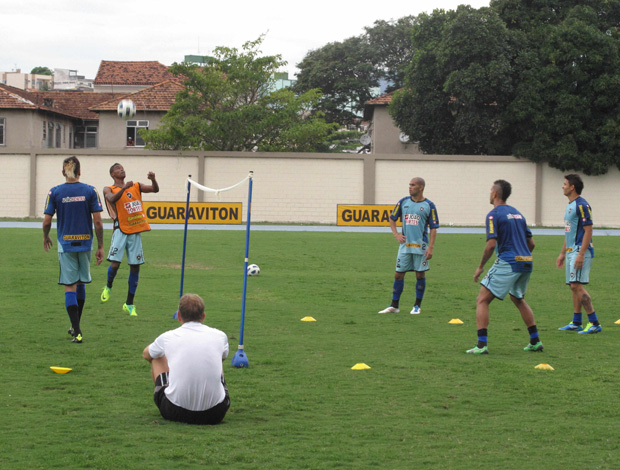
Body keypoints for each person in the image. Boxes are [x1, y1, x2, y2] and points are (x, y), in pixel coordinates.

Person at [467, 180, 543, 355]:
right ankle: (535, 341)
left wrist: (480, 267)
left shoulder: (493, 215)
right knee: (518, 299)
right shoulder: (518, 214)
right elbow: (531, 243)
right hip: (526, 261)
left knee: (482, 300)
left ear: (494, 193)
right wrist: (521, 255)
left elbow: (491, 245)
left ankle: (481, 345)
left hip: (509, 261)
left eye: (490, 190)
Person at [142, 293, 230, 425]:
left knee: (157, 357)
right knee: (217, 358)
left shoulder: (167, 337)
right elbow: (222, 358)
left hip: (174, 411)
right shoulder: (220, 336)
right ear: (203, 316)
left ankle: (170, 388)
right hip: (216, 413)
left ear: (179, 316)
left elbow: (146, 354)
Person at [43, 156, 104, 343]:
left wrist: (46, 236)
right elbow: (98, 222)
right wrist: (101, 245)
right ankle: (75, 326)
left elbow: (47, 220)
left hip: (66, 244)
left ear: (63, 172)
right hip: (85, 243)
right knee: (81, 283)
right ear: (80, 171)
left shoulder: (55, 192)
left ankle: (76, 330)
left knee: (70, 285)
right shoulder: (90, 190)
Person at [100, 163, 159, 316]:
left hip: (135, 230)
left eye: (122, 167)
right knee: (115, 264)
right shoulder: (109, 189)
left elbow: (155, 189)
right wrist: (124, 188)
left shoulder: (136, 185)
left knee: (135, 267)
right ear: (113, 174)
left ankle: (129, 303)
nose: (122, 169)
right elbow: (111, 199)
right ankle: (108, 286)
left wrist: (153, 180)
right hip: (121, 230)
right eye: (118, 168)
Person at [378, 177, 439, 315]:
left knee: (419, 275)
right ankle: (394, 306)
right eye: (409, 185)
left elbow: (434, 228)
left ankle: (417, 306)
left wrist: (431, 247)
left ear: (421, 187)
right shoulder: (403, 202)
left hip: (421, 246)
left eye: (413, 185)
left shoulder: (429, 205)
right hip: (405, 246)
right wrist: (396, 234)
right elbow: (392, 219)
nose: (410, 187)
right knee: (398, 275)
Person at [557, 174, 602, 334]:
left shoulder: (582, 206)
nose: (562, 186)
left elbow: (588, 230)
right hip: (571, 251)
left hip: (579, 251)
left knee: (577, 285)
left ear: (572, 187)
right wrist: (562, 253)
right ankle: (576, 321)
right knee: (573, 286)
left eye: (565, 184)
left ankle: (594, 322)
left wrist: (581, 254)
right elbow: (569, 231)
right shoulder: (570, 205)